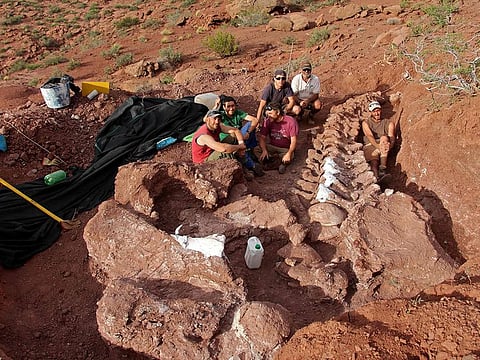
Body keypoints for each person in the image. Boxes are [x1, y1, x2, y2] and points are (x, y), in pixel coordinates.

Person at [218, 95, 264, 176]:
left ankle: (251, 152)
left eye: (233, 106)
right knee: (238, 143)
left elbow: (255, 120)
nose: (231, 108)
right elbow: (208, 118)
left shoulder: (238, 113)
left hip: (240, 138)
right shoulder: (221, 115)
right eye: (228, 106)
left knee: (250, 125)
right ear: (224, 107)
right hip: (229, 140)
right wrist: (216, 106)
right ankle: (251, 166)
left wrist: (248, 132)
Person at [255, 102, 299, 174]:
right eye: (267, 114)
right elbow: (262, 138)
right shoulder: (267, 121)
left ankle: (269, 162)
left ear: (278, 112)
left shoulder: (290, 121)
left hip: (284, 149)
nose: (268, 116)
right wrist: (264, 150)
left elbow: (293, 141)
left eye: (270, 114)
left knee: (290, 155)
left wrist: (289, 153)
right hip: (272, 147)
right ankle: (278, 163)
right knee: (256, 149)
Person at [362, 101, 395, 180]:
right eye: (374, 111)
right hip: (370, 144)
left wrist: (389, 146)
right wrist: (377, 146)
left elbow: (391, 137)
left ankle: (382, 169)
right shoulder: (366, 123)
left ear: (381, 110)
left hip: (384, 145)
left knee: (384, 138)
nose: (376, 113)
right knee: (374, 162)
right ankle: (376, 178)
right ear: (370, 112)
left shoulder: (388, 123)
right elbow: (369, 136)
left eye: (378, 111)